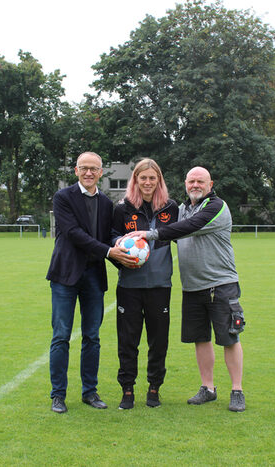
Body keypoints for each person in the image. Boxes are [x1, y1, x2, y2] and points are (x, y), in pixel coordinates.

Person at [131, 166, 246, 412]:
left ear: (210, 184)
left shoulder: (216, 207)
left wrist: (149, 234)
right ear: (185, 183)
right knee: (200, 338)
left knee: (229, 338)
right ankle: (208, 388)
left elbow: (188, 228)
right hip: (192, 286)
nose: (195, 185)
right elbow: (162, 220)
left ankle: (237, 390)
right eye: (191, 181)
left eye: (200, 181)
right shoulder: (182, 209)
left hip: (221, 284)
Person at [46, 151, 138, 414]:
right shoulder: (63, 197)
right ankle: (58, 395)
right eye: (84, 168)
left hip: (94, 278)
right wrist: (110, 252)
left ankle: (89, 392)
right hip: (65, 276)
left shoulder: (107, 204)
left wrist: (126, 255)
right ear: (76, 170)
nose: (88, 172)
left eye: (93, 169)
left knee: (92, 337)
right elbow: (74, 234)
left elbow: (108, 237)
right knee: (61, 336)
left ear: (100, 173)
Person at [111, 159, 179, 410]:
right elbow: (111, 236)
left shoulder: (171, 208)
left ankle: (154, 387)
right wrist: (122, 245)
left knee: (158, 340)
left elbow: (182, 234)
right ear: (135, 180)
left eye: (153, 178)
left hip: (160, 284)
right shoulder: (123, 208)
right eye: (143, 178)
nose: (148, 183)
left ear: (159, 180)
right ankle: (127, 388)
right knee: (128, 340)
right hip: (129, 285)